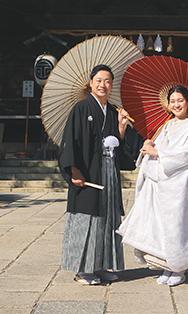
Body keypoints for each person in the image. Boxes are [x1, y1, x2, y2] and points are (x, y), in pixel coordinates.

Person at [58, 64, 140, 285]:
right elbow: (70, 141)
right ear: (91, 82)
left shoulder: (113, 112)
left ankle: (102, 266)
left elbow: (121, 145)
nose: (103, 85)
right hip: (88, 172)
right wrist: (73, 169)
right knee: (88, 219)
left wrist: (122, 128)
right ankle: (84, 269)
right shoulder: (81, 109)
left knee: (108, 217)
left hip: (109, 172)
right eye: (99, 80)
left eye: (108, 81)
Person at [117, 85, 188, 286]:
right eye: (172, 101)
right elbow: (154, 148)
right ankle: (166, 265)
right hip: (158, 183)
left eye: (180, 101)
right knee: (158, 226)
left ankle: (179, 269)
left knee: (175, 226)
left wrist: (159, 153)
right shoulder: (166, 125)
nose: (176, 105)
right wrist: (148, 146)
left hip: (176, 184)